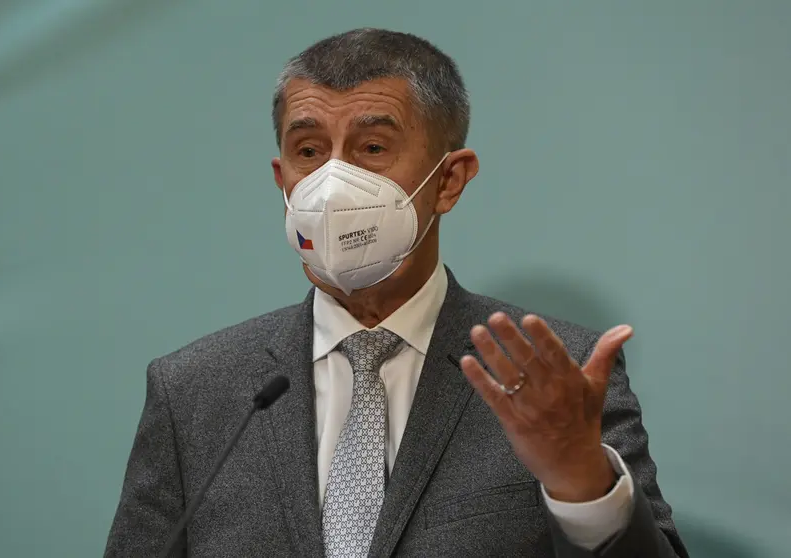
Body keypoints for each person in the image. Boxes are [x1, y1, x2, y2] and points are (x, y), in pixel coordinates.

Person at [105, 28, 689, 558]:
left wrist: (582, 484)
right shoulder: (195, 391)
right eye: (309, 151)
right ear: (283, 180)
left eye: (373, 149)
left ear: (449, 180)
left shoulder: (555, 374)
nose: (332, 186)